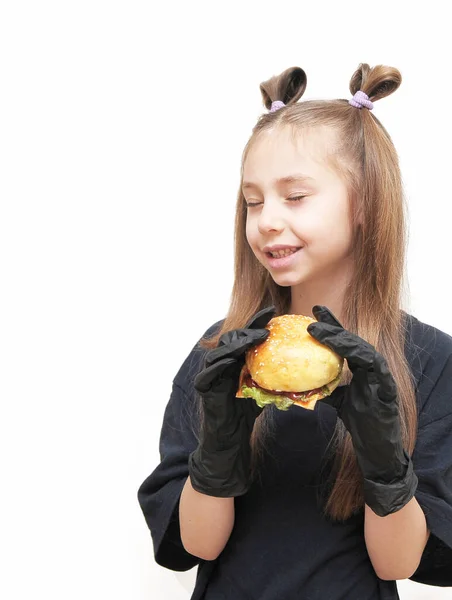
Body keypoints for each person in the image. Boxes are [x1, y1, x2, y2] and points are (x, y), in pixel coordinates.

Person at [137, 63, 452, 599]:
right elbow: (197, 546)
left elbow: (398, 562)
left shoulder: (427, 358)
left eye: (296, 196)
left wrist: (384, 464)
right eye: (254, 202)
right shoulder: (224, 349)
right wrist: (217, 454)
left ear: (365, 204)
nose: (266, 220)